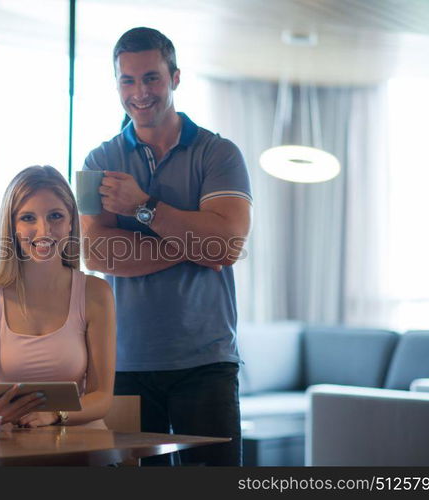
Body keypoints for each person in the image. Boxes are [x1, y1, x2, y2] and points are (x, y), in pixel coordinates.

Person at [80, 27, 252, 465]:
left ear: (174, 77)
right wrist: (195, 243)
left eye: (151, 78)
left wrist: (142, 207)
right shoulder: (95, 163)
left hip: (206, 362)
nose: (140, 92)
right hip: (123, 365)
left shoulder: (221, 154)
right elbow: (94, 253)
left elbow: (226, 247)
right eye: (128, 80)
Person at [0, 165, 116, 428]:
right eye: (28, 218)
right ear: (11, 226)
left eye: (55, 216)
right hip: (8, 443)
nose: (44, 231)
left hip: (80, 442)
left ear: (70, 223)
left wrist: (55, 415)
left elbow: (101, 397)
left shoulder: (95, 292)